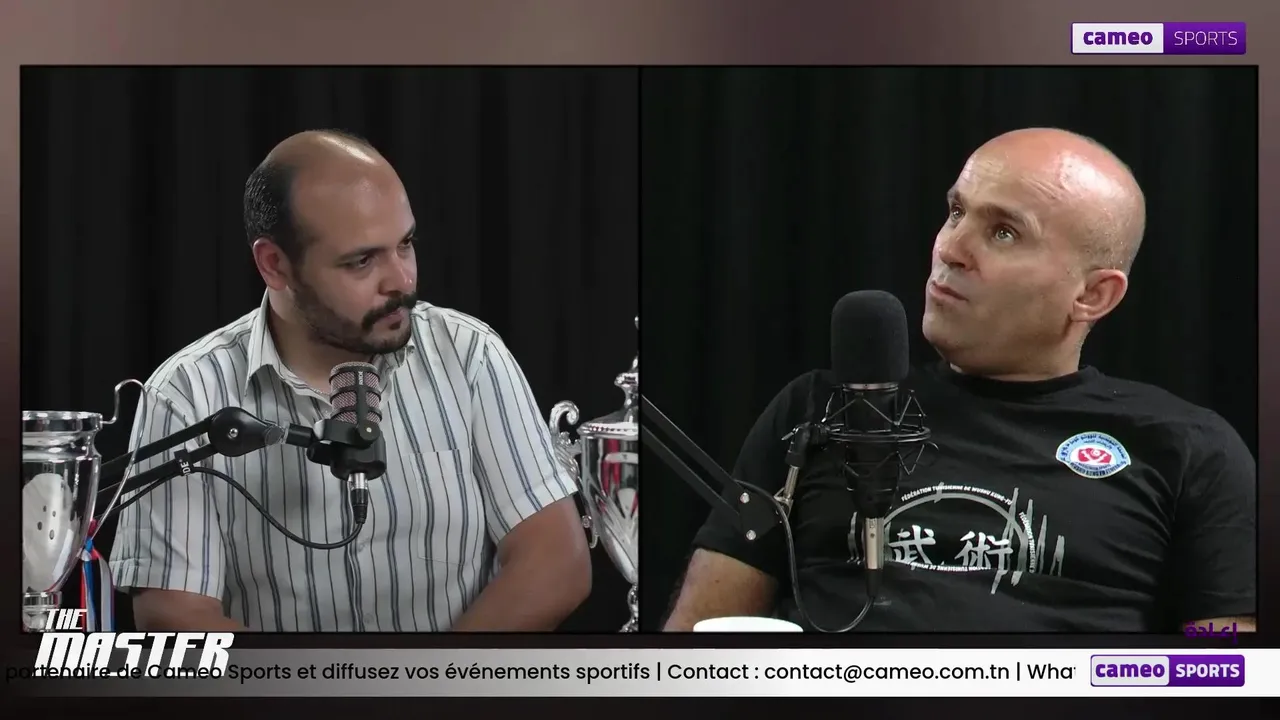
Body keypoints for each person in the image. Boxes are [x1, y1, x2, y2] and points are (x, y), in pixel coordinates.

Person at [663, 128, 1256, 633]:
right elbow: (694, 649)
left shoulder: (1187, 448)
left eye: (1004, 233)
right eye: (955, 212)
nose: (950, 248)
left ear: (1093, 295)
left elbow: (1229, 677)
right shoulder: (821, 407)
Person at [108, 130, 592, 632]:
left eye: (405, 245)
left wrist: (431, 676)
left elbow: (556, 560)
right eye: (362, 261)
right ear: (275, 265)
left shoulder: (469, 354)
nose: (401, 281)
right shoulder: (187, 394)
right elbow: (176, 614)